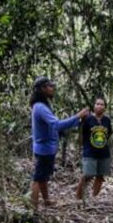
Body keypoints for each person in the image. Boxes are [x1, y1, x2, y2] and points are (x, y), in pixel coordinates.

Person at [30, 76, 88, 210]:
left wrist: (77, 121)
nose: (53, 88)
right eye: (50, 86)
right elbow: (56, 125)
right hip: (44, 149)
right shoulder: (40, 107)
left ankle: (46, 201)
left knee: (43, 176)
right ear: (42, 89)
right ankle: (33, 208)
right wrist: (78, 116)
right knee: (38, 178)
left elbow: (53, 126)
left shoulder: (42, 106)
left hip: (46, 148)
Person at [76, 97, 113, 200]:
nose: (99, 106)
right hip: (90, 152)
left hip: (104, 153)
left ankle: (94, 198)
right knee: (87, 175)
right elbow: (82, 134)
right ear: (94, 106)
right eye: (97, 104)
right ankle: (78, 198)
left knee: (100, 176)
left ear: (105, 107)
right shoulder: (88, 119)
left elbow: (108, 134)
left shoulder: (107, 120)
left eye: (102, 104)